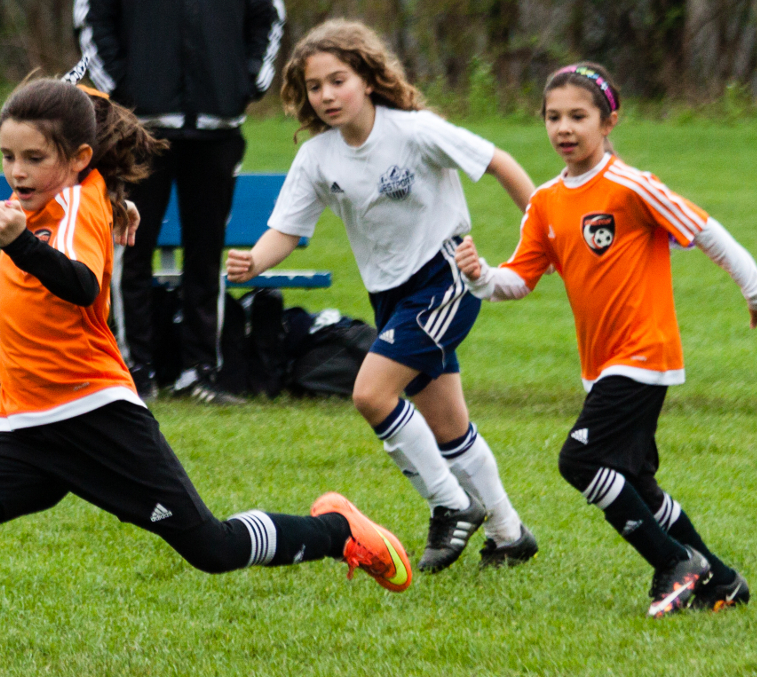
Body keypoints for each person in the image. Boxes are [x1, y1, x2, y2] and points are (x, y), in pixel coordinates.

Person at [0, 77, 416, 677]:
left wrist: (20, 243)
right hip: (30, 432)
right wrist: (104, 187)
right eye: (8, 156)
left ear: (78, 158)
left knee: (214, 549)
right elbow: (84, 102)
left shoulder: (72, 209)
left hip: (95, 418)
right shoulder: (74, 186)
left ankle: (339, 531)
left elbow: (81, 283)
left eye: (34, 158)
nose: (17, 171)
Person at [455, 62, 757, 617]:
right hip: (602, 364)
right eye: (553, 117)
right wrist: (482, 275)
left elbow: (703, 229)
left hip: (644, 354)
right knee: (637, 484)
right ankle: (723, 582)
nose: (564, 128)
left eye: (578, 116)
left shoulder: (631, 186)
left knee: (579, 462)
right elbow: (520, 279)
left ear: (608, 121)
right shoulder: (546, 202)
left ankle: (673, 564)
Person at [225, 20, 538, 572]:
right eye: (314, 86)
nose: (326, 95)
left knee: (371, 393)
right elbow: (287, 230)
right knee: (448, 426)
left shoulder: (414, 131)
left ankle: (450, 504)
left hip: (442, 280)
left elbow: (499, 163)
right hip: (389, 298)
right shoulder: (319, 157)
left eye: (337, 80)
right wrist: (256, 259)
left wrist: (545, 233)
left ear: (368, 79)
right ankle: (510, 534)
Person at [76, 0, 286, 404]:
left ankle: (201, 372)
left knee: (206, 254)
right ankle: (133, 371)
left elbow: (269, 14)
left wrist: (247, 81)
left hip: (218, 124)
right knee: (130, 251)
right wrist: (120, 87)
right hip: (140, 126)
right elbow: (91, 13)